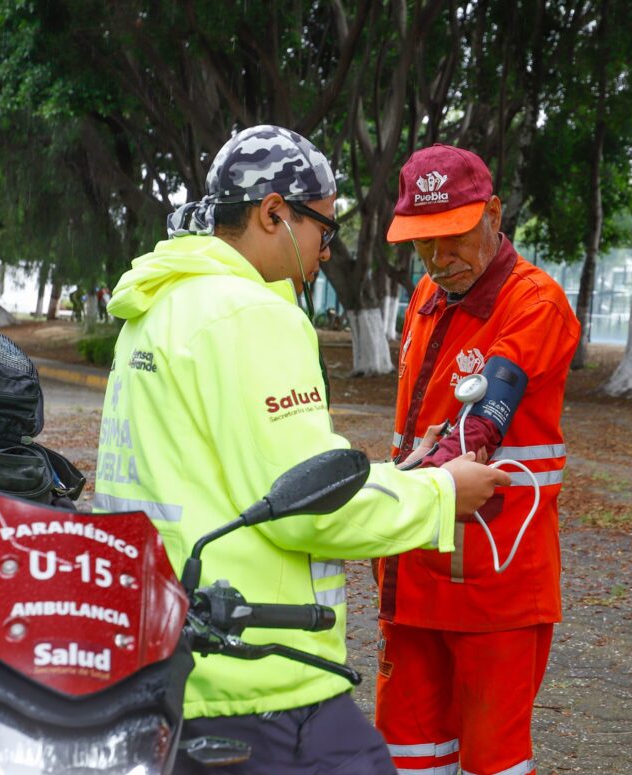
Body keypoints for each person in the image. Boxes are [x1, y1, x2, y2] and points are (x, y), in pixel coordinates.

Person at [93, 125, 508, 773]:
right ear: (273, 212)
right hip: (263, 675)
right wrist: (442, 492)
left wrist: (391, 475)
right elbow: (313, 506)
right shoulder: (251, 314)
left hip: (172, 658)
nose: (325, 249)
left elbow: (230, 471)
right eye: (324, 227)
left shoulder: (159, 308)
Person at [375, 144, 581, 775]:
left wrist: (373, 501)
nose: (440, 259)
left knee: (493, 762)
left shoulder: (534, 303)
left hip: (497, 587)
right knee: (407, 757)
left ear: (494, 214)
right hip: (413, 578)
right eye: (423, 243)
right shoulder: (426, 299)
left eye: (455, 237)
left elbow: (477, 425)